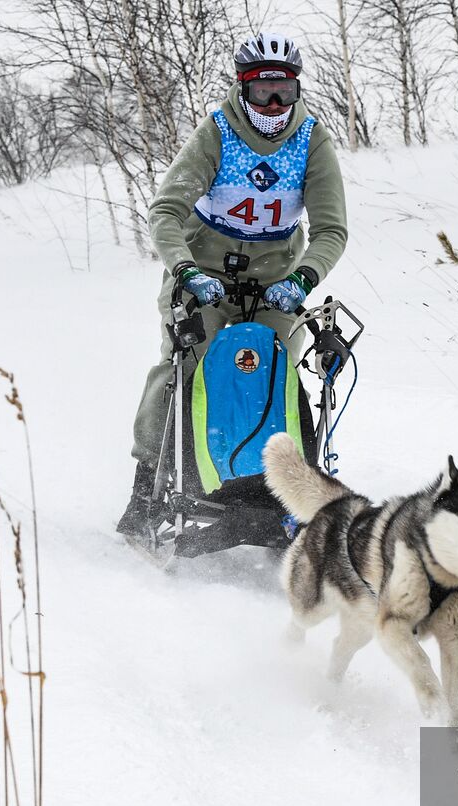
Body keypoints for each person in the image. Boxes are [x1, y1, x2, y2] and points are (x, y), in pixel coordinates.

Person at [116, 32, 349, 536]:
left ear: (296, 90)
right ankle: (146, 487)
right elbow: (166, 212)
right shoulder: (217, 133)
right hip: (204, 270)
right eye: (262, 91)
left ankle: (282, 487)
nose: (273, 104)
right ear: (241, 89)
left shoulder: (312, 139)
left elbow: (331, 229)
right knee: (186, 364)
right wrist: (185, 270)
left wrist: (303, 278)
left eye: (284, 91)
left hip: (276, 279)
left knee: (272, 367)